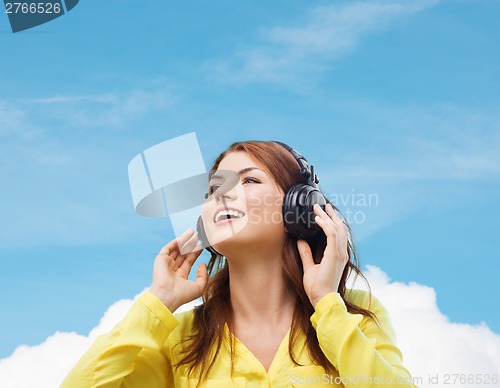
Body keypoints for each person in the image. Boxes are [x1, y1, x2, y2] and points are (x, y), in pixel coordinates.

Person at [61, 140, 417, 387]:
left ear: (299, 208)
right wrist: (158, 302)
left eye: (249, 180)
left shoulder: (355, 314)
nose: (223, 194)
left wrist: (327, 305)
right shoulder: (180, 337)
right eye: (214, 188)